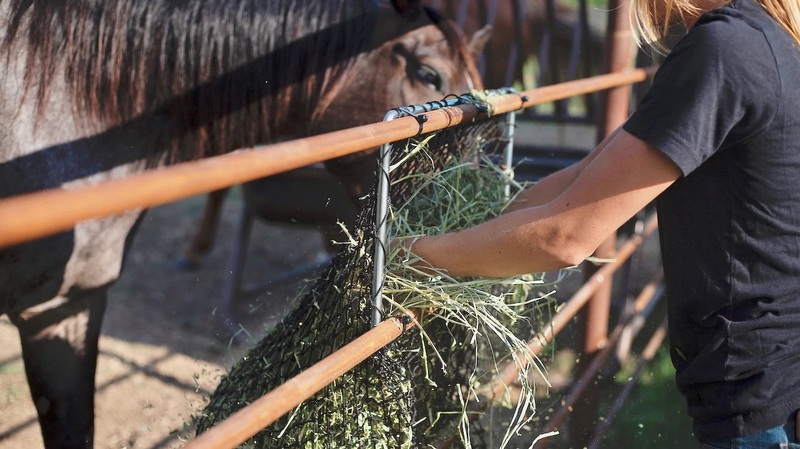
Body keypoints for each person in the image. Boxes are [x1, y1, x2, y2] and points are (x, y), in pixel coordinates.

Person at [400, 0, 800, 446]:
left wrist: (404, 257)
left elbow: (564, 237)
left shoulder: (723, 49)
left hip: (763, 399)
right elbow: (589, 174)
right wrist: (491, 221)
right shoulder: (771, 35)